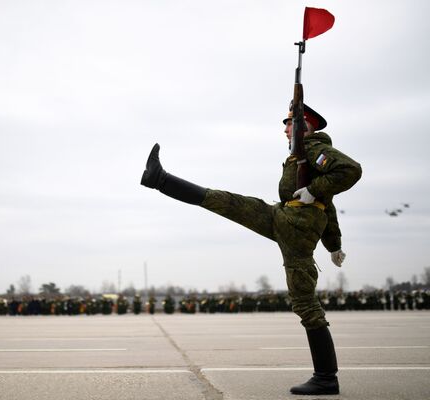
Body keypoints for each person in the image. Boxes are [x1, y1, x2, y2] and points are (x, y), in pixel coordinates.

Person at [140, 102, 361, 395]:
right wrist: (334, 244)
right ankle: (160, 179)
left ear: (304, 125)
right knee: (228, 202)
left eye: (289, 123)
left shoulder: (314, 148)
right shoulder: (300, 154)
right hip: (286, 218)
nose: (284, 129)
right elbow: (329, 205)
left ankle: (326, 377)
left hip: (297, 226)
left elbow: (350, 170)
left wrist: (313, 192)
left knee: (305, 302)